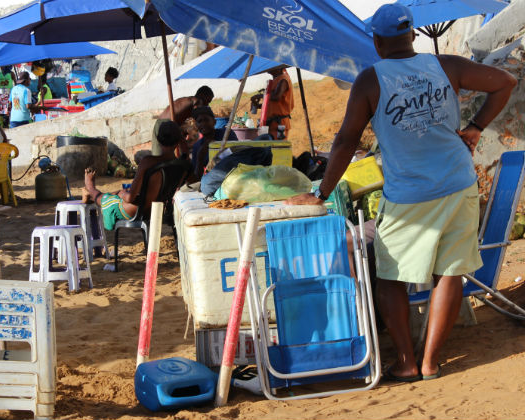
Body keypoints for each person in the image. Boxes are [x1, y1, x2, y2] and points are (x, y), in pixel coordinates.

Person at [285, 3, 516, 381]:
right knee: (449, 273)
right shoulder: (447, 66)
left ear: (377, 42)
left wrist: (323, 192)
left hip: (409, 194)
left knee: (390, 278)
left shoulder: (370, 80)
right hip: (458, 183)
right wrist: (475, 126)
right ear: (413, 36)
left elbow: (345, 140)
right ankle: (430, 363)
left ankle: (408, 362)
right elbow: (505, 82)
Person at [82, 120, 185, 231]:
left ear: (158, 139)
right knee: (115, 193)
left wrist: (122, 194)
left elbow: (130, 198)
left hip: (134, 211)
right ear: (179, 140)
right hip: (154, 212)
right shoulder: (182, 165)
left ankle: (90, 189)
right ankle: (90, 195)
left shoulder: (148, 162)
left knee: (109, 198)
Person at [152, 85, 214, 156]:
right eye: (208, 101)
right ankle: (186, 162)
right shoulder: (197, 101)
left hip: (161, 122)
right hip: (166, 123)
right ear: (203, 95)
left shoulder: (188, 100)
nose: (207, 104)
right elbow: (199, 117)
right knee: (162, 152)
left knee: (160, 150)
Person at [190, 106, 238, 181]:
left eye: (206, 120)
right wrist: (200, 158)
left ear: (214, 122)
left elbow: (236, 152)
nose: (203, 124)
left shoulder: (226, 134)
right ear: (196, 125)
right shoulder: (197, 146)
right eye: (199, 121)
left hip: (234, 174)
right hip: (215, 179)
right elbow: (197, 177)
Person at [250, 67, 294, 139]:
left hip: (279, 125)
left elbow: (276, 97)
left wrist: (261, 96)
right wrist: (258, 105)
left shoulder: (283, 79)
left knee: (277, 148)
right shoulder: (274, 81)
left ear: (279, 68)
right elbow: (272, 104)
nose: (269, 68)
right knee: (267, 148)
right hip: (269, 124)